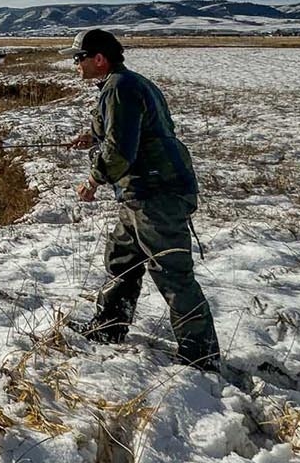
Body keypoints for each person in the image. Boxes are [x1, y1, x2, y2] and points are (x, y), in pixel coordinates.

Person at [60, 28, 221, 371]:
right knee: (122, 260)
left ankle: (201, 358)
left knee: (172, 273)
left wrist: (93, 179)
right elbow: (133, 130)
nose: (76, 65)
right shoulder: (126, 84)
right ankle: (108, 329)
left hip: (156, 195)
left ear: (98, 59)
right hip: (141, 194)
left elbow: (120, 151)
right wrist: (91, 136)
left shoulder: (120, 87)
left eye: (78, 58)